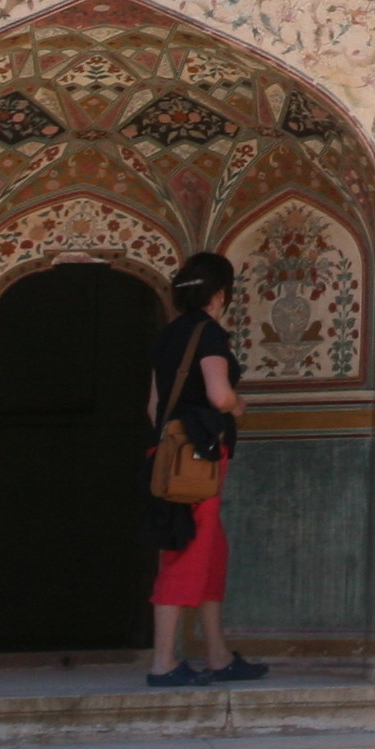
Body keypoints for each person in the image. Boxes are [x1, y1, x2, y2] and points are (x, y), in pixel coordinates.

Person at [142, 252, 266, 688]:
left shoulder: (167, 336)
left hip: (169, 456)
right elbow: (218, 396)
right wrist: (239, 404)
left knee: (211, 554)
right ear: (220, 294)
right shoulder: (209, 334)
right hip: (198, 461)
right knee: (186, 551)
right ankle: (163, 664)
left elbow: (154, 407)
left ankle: (218, 655)